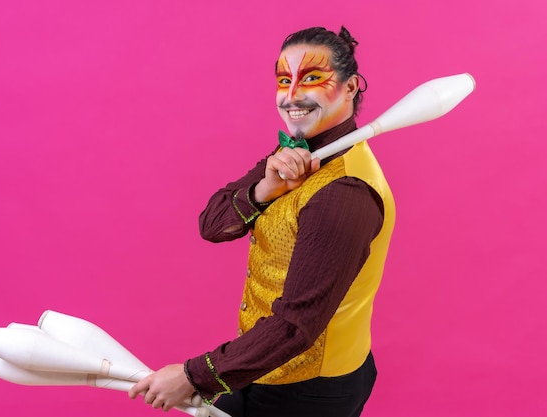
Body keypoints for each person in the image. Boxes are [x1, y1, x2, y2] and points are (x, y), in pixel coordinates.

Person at [129, 26, 396, 417]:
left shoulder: (344, 193)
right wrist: (262, 190)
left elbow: (296, 326)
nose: (291, 97)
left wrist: (192, 377)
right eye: (284, 80)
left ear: (351, 87)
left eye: (312, 79)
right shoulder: (297, 151)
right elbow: (213, 225)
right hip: (261, 364)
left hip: (308, 391)